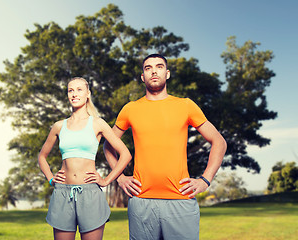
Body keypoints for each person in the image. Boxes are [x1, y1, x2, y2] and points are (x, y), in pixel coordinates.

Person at [103, 54, 227, 240]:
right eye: (148, 68)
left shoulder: (185, 105)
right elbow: (108, 145)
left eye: (159, 66)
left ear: (167, 73)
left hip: (181, 201)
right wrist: (119, 178)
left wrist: (205, 180)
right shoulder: (130, 109)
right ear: (142, 77)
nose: (154, 71)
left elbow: (219, 141)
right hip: (141, 202)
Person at [38, 77, 132, 240]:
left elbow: (125, 154)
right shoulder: (59, 126)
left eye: (79, 89)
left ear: (88, 93)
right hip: (62, 193)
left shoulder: (98, 123)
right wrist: (51, 179)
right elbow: (42, 156)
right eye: (70, 90)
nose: (74, 94)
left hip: (90, 194)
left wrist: (106, 180)